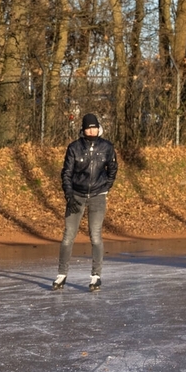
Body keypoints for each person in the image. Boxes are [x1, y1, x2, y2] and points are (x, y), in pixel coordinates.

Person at [52, 113, 118, 292]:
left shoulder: (106, 147)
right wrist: (69, 195)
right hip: (76, 196)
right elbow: (66, 172)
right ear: (83, 129)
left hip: (97, 196)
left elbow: (113, 169)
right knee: (68, 236)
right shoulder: (74, 147)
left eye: (94, 127)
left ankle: (96, 276)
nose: (91, 130)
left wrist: (106, 187)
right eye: (88, 127)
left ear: (99, 128)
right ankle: (62, 274)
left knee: (95, 236)